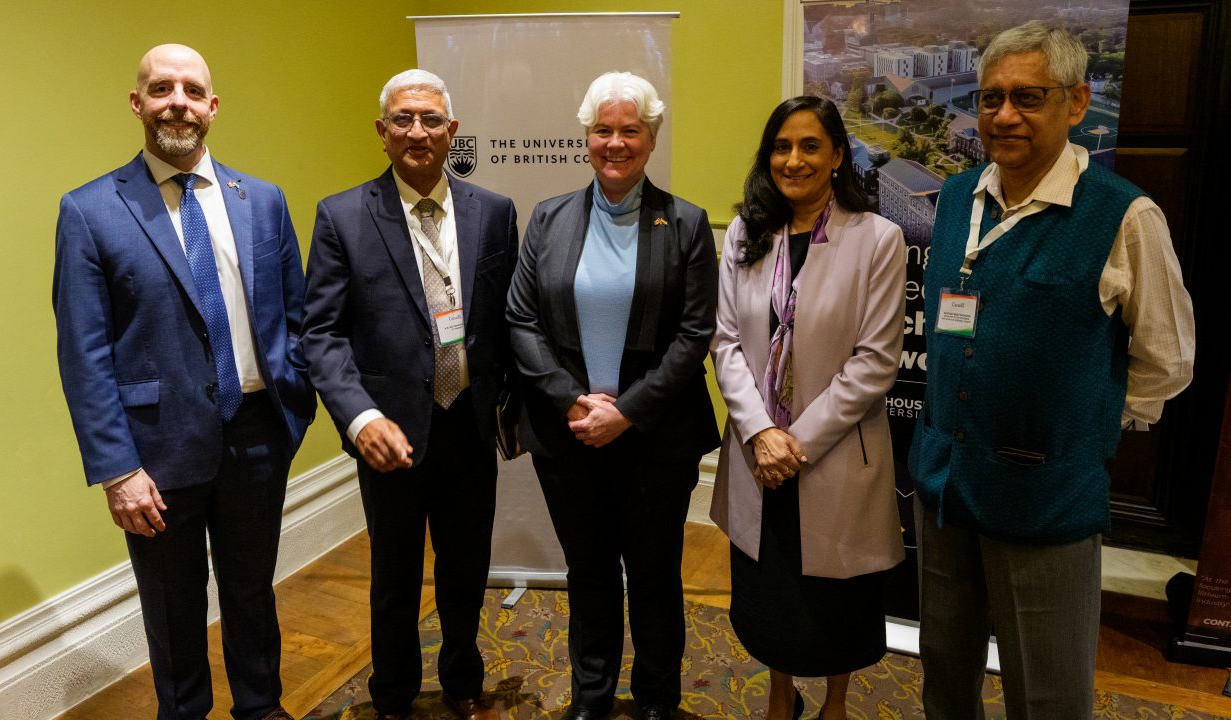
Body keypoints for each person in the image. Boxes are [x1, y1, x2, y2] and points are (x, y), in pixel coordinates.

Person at [908, 21, 1196, 720]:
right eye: (991, 98)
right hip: (944, 481)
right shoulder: (955, 197)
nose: (1004, 115)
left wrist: (1082, 422)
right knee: (945, 673)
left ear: (1076, 102)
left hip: (1044, 496)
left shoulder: (1124, 216)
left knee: (1048, 693)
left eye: (1028, 97)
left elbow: (1167, 358)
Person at [53, 44, 314, 720]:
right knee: (173, 608)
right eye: (162, 88)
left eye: (193, 91)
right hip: (155, 453)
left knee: (252, 592)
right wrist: (117, 469)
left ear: (213, 107)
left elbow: (296, 315)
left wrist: (293, 406)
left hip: (256, 436)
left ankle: (261, 708)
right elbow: (84, 354)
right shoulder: (90, 210)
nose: (178, 102)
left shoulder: (262, 200)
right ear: (137, 102)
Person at [301, 69, 517, 720]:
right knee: (394, 578)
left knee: (465, 570)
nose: (417, 131)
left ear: (452, 130)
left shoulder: (494, 212)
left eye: (430, 119)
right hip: (389, 434)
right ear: (382, 131)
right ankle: (392, 696)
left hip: (468, 425)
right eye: (403, 119)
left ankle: (463, 683)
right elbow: (320, 333)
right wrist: (359, 417)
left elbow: (508, 322)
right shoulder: (342, 216)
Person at [505, 71, 719, 720]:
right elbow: (521, 319)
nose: (615, 143)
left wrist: (626, 411)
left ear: (651, 138)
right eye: (603, 130)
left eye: (630, 130)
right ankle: (591, 697)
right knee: (589, 574)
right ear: (587, 137)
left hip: (655, 439)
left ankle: (656, 700)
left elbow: (694, 334)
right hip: (568, 436)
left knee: (654, 578)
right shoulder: (549, 218)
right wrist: (572, 400)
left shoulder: (685, 224)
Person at [710, 96, 906, 720]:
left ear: (838, 155)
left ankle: (836, 703)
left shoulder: (877, 239)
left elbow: (875, 361)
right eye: (781, 147)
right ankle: (780, 694)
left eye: (810, 146)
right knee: (772, 594)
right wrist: (761, 433)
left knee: (836, 596)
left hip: (832, 453)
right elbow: (726, 342)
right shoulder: (745, 233)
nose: (793, 160)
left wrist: (795, 444)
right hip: (758, 452)